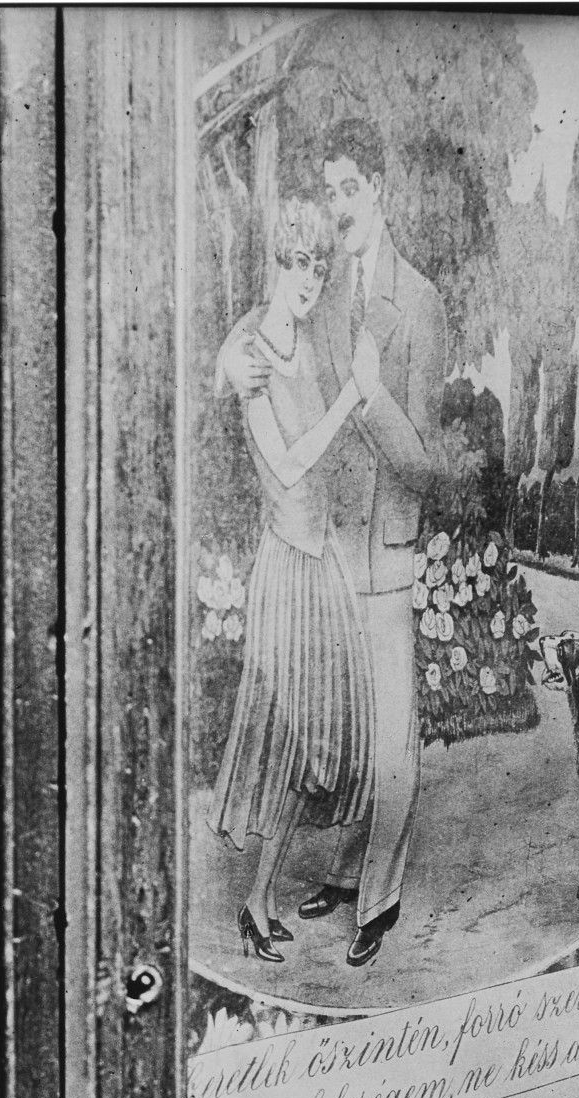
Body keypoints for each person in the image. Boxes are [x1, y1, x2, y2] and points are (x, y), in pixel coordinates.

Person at [222, 119, 447, 967]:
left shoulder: (416, 302)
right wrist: (224, 366)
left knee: (388, 735)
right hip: (320, 554)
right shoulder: (320, 283)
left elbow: (424, 466)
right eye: (329, 190)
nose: (338, 206)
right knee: (340, 730)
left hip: (383, 550)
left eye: (351, 187)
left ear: (380, 187)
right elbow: (266, 328)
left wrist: (367, 397)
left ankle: (378, 902)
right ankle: (349, 873)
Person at [208, 195, 378, 966]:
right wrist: (350, 399)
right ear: (275, 263)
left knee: (329, 744)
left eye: (318, 264)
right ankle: (253, 904)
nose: (309, 278)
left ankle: (256, 902)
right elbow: (282, 464)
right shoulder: (247, 350)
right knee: (291, 743)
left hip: (324, 562)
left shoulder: (307, 340)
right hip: (284, 566)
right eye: (297, 262)